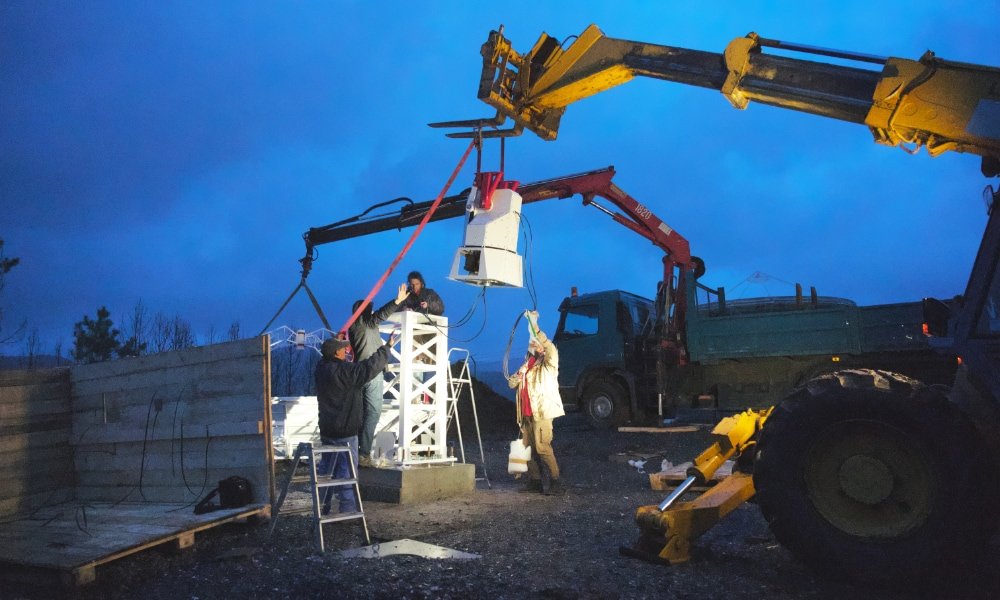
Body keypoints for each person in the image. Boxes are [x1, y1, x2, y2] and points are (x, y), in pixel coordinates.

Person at [314, 332, 395, 514]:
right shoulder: (346, 373)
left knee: (327, 473)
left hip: (327, 431)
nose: (346, 351)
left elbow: (347, 364)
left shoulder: (321, 368)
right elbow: (369, 368)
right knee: (347, 474)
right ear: (336, 354)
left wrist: (334, 343)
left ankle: (322, 509)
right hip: (345, 432)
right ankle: (348, 511)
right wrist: (386, 348)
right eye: (342, 349)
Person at [348, 283, 410, 466]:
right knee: (373, 413)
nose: (373, 312)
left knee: (362, 414)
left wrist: (388, 346)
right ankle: (363, 454)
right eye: (370, 309)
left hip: (361, 372)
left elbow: (371, 343)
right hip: (371, 373)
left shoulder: (359, 327)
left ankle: (358, 451)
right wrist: (397, 301)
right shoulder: (364, 322)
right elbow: (381, 314)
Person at [508, 314, 566, 495]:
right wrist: (519, 374)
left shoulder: (549, 363)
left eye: (537, 343)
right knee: (528, 448)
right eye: (533, 344)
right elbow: (511, 383)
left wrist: (534, 325)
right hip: (525, 414)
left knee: (542, 447)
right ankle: (535, 481)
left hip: (542, 412)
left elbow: (549, 347)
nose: (534, 346)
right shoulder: (527, 365)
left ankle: (556, 481)